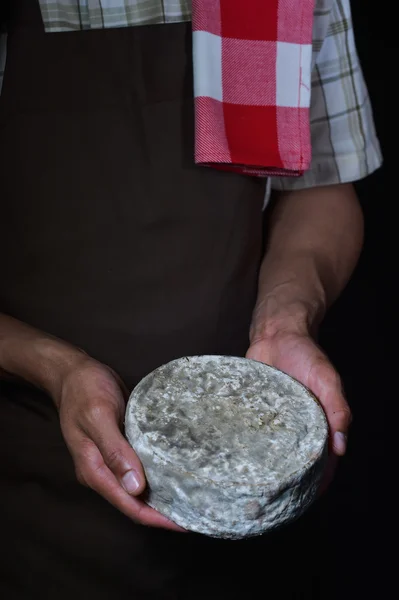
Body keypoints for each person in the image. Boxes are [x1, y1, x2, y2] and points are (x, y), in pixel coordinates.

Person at [0, 0, 381, 598]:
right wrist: (56, 368)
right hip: (28, 492)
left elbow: (324, 189)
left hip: (252, 475)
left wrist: (285, 320)